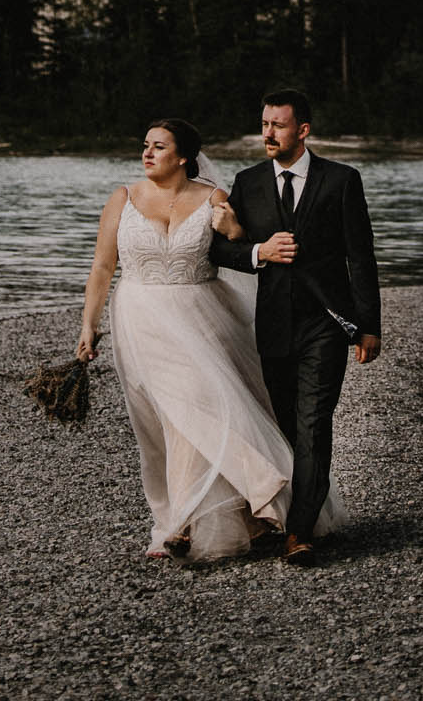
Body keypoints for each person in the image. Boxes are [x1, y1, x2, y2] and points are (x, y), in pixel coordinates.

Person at [76, 115, 339, 564]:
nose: (147, 153)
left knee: (197, 409)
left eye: (158, 147)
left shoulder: (215, 197)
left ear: (183, 157)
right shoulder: (123, 198)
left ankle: (218, 508)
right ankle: (208, 506)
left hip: (204, 314)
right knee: (166, 422)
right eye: (145, 145)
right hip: (140, 315)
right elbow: (103, 267)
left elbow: (239, 248)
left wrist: (233, 228)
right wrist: (89, 323)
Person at [210, 88, 381, 566]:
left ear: (302, 130)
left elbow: (360, 255)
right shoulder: (247, 183)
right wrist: (257, 252)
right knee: (286, 424)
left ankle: (299, 533)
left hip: (327, 322)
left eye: (278, 125)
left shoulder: (342, 180)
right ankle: (285, 512)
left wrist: (369, 326)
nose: (268, 132)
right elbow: (218, 251)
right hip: (272, 324)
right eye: (264, 124)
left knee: (313, 424)